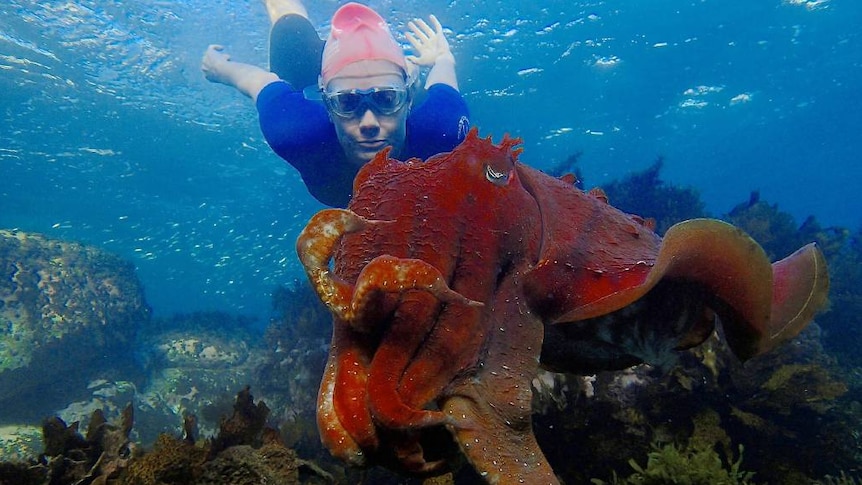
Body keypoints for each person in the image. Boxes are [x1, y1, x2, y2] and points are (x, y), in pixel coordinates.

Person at [202, 1, 470, 207]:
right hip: (318, 66)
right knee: (286, 19)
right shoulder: (295, 130)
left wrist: (443, 57)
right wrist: (221, 70)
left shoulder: (442, 128)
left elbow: (445, 79)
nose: (368, 123)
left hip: (355, 75)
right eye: (347, 103)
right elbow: (258, 82)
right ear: (327, 108)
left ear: (409, 99)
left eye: (386, 99)